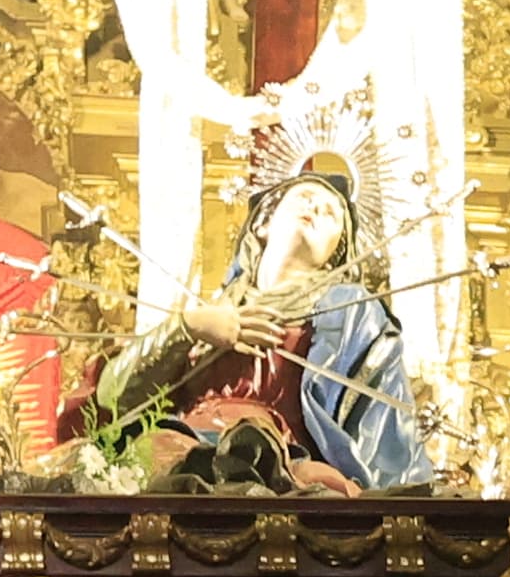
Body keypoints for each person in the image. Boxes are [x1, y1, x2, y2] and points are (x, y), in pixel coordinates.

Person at [87, 171, 429, 493]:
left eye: (330, 214)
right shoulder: (209, 312)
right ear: (264, 223)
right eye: (306, 198)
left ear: (333, 256)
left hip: (280, 462)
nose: (315, 208)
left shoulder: (349, 313)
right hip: (180, 451)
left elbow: (384, 420)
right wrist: (188, 327)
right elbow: (112, 397)